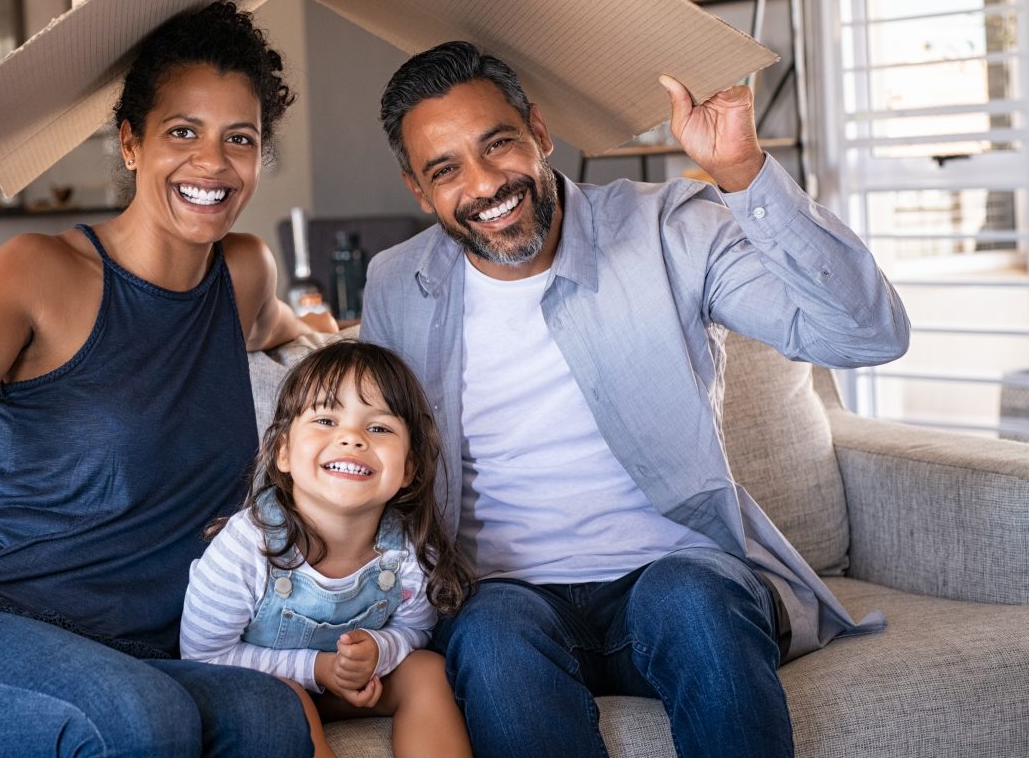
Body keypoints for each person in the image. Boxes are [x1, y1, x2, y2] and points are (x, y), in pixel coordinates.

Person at [360, 41, 910, 758]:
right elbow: (372, 459)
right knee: (490, 635)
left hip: (676, 574)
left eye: (499, 145)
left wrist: (743, 173)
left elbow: (868, 336)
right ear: (418, 189)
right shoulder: (396, 284)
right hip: (507, 599)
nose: (486, 184)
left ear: (540, 132)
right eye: (447, 169)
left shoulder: (670, 229)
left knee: (692, 600)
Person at [0, 1, 325, 758]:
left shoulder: (243, 272)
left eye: (240, 138)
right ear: (130, 144)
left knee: (274, 717)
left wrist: (332, 343)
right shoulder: (42, 273)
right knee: (140, 721)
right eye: (183, 132)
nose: (213, 162)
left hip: (134, 656)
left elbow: (293, 335)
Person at [181, 340, 474, 758]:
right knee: (289, 698)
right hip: (263, 690)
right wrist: (317, 670)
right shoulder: (247, 547)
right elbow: (202, 657)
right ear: (282, 451)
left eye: (379, 428)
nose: (352, 438)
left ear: (409, 467)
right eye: (325, 419)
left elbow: (415, 630)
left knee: (427, 671)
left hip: (352, 686)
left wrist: (378, 650)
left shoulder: (406, 550)